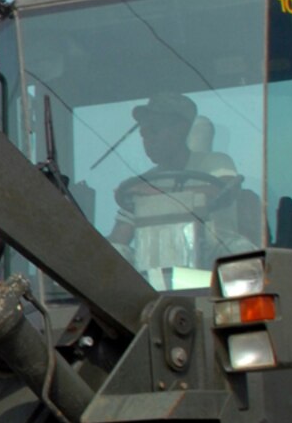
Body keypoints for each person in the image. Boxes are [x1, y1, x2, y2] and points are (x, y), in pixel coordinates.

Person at [108, 92, 256, 283]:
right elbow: (120, 238)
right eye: (144, 134)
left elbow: (225, 192)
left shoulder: (214, 163)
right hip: (153, 262)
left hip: (212, 256)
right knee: (111, 256)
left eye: (154, 131)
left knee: (240, 252)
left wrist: (157, 196)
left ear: (181, 129)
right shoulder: (143, 184)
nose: (148, 140)